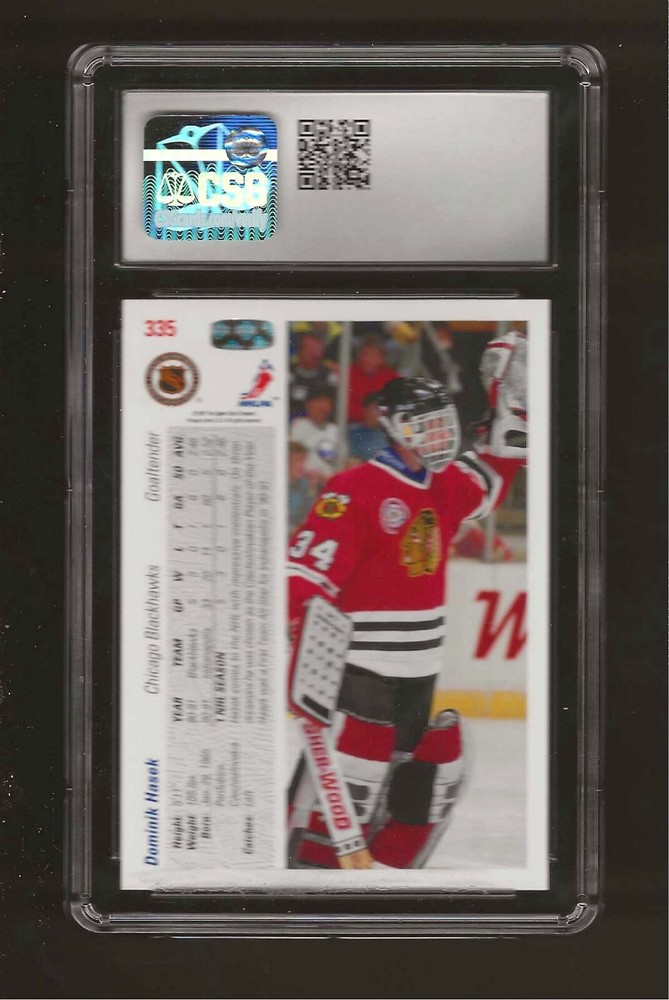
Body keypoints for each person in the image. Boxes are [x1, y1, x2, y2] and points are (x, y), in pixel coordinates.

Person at [287, 332, 527, 869]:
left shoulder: (443, 487)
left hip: (421, 663)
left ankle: (389, 864)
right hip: (363, 661)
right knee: (360, 763)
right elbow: (305, 569)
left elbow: (493, 472)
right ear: (393, 426)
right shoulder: (353, 488)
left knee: (413, 770)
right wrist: (301, 624)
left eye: (443, 424)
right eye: (425, 426)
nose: (438, 436)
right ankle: (313, 860)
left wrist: (513, 416)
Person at [289, 387, 339, 480]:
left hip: (330, 481)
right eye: (318, 401)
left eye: (326, 402)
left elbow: (342, 463)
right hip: (303, 481)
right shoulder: (298, 426)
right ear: (307, 405)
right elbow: (292, 461)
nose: (323, 406)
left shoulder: (336, 431)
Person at [289, 329, 339, 419]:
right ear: (300, 351)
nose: (315, 354)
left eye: (318, 349)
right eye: (310, 349)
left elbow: (335, 407)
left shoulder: (329, 376)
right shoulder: (287, 373)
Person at [347, 335, 397, 423]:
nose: (369, 360)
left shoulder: (392, 377)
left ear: (382, 359)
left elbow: (397, 406)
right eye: (365, 354)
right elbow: (345, 406)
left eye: (375, 356)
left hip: (385, 424)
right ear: (359, 355)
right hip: (354, 424)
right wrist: (367, 415)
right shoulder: (348, 373)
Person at [346, 393, 388, 461]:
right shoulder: (352, 432)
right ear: (365, 410)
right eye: (376, 409)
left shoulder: (390, 434)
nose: (381, 414)